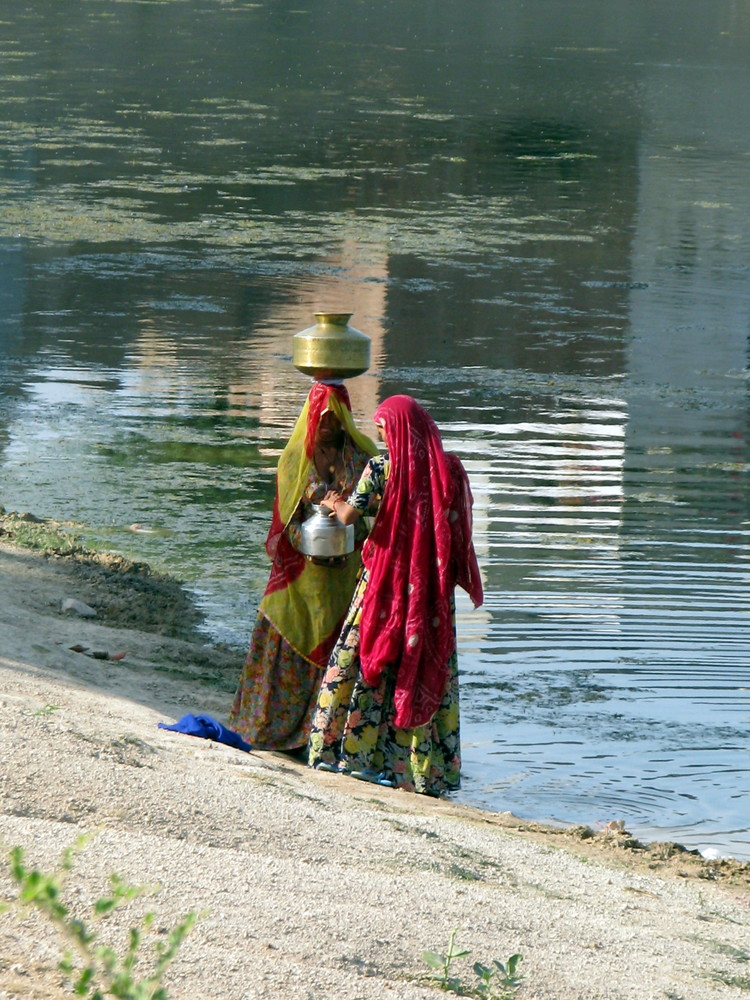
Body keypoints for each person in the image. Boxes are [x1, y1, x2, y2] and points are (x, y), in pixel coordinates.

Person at [308, 394, 483, 795]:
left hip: (384, 584)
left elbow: (350, 516)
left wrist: (333, 500)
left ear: (400, 431)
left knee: (358, 657)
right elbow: (456, 529)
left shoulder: (382, 469)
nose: (382, 437)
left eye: (385, 430)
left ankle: (342, 753)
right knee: (424, 666)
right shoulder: (449, 470)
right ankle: (425, 772)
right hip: (430, 593)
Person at [228, 380, 378, 755]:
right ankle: (269, 728)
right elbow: (286, 521)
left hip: (344, 574)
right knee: (281, 634)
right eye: (322, 417)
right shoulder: (296, 460)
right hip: (299, 574)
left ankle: (324, 738)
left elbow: (373, 515)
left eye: (334, 416)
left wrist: (348, 529)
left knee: (338, 648)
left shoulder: (362, 458)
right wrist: (307, 546)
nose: (328, 423)